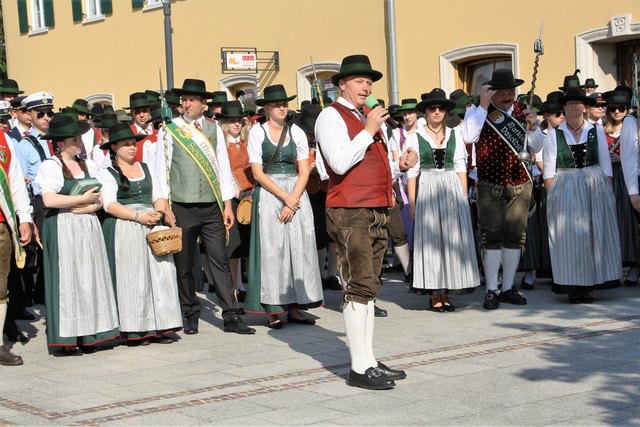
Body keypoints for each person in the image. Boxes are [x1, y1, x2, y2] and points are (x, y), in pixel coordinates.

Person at [315, 54, 416, 390]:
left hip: (376, 207)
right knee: (358, 285)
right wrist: (369, 129)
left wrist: (400, 164)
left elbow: (374, 162)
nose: (366, 86)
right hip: (349, 210)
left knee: (370, 285)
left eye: (369, 81)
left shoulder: (367, 117)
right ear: (341, 85)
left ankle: (368, 359)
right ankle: (358, 368)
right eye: (358, 80)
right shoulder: (331, 116)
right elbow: (340, 163)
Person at [154, 78, 254, 335]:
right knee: (185, 263)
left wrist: (228, 205)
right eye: (184, 100)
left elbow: (222, 169)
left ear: (203, 103)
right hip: (182, 207)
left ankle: (231, 315)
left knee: (219, 259)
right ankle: (190, 313)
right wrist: (164, 205)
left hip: (211, 207)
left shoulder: (214, 129)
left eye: (191, 100)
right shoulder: (169, 129)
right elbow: (161, 170)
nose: (186, 104)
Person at [35, 114, 120, 355]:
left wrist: (90, 206)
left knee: (90, 277)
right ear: (61, 143)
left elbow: (102, 196)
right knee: (69, 280)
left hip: (88, 226)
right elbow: (49, 199)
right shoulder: (50, 166)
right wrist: (81, 198)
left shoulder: (89, 164)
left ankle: (90, 334)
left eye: (79, 139)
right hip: (63, 226)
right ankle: (68, 338)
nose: (80, 143)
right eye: (74, 139)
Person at [243, 84, 323, 328]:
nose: (281, 108)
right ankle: (273, 308)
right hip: (270, 193)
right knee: (273, 248)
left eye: (284, 104)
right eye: (277, 104)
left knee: (299, 247)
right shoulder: (258, 132)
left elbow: (304, 170)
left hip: (295, 192)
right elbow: (257, 173)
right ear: (267, 108)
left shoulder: (296, 131)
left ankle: (297, 305)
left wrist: (294, 199)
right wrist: (285, 198)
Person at [98, 123, 182, 345]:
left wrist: (160, 210)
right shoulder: (107, 173)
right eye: (126, 145)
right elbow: (109, 204)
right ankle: (135, 330)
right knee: (133, 278)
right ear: (114, 147)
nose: (132, 148)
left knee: (159, 275)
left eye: (133, 144)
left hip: (151, 225)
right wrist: (137, 217)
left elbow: (159, 195)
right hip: (125, 227)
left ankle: (159, 327)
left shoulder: (145, 168)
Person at [462, 69, 538, 310]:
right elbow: (469, 136)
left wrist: (534, 127)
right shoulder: (478, 111)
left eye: (510, 92)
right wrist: (483, 106)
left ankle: (508, 287)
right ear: (491, 92)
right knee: (491, 236)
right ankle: (491, 289)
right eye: (502, 92)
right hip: (490, 183)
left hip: (519, 183)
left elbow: (536, 147)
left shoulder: (521, 112)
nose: (507, 96)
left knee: (516, 237)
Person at [542, 87, 622, 303]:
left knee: (591, 235)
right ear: (564, 109)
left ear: (585, 108)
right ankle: (572, 286)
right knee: (569, 237)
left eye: (578, 103)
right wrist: (553, 198)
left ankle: (588, 285)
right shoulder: (553, 134)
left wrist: (606, 194)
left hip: (593, 184)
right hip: (565, 184)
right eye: (569, 104)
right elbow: (549, 170)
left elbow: (606, 165)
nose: (574, 107)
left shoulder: (595, 130)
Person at [406, 88, 480, 311]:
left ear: (446, 111)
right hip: (427, 187)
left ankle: (446, 291)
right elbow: (411, 172)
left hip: (451, 188)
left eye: (441, 108)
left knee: (450, 240)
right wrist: (412, 203)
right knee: (431, 241)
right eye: (432, 108)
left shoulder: (455, 134)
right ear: (425, 113)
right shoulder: (414, 136)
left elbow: (460, 168)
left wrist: (463, 197)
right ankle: (434, 293)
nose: (437, 112)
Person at [0, 121, 32, 365]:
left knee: (1, 288)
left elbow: (15, 182)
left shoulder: (4, 139)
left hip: (2, 224)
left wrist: (24, 217)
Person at [216, 101, 253, 298]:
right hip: (233, 197)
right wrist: (235, 192)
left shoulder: (249, 142)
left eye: (239, 121)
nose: (236, 124)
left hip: (251, 195)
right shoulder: (221, 145)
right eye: (232, 121)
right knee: (234, 246)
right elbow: (224, 172)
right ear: (224, 124)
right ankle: (234, 287)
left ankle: (249, 284)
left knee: (249, 245)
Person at [603, 87, 638, 285]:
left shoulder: (633, 127)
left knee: (629, 221)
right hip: (609, 178)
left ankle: (634, 266)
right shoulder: (601, 128)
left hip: (627, 178)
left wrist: (620, 158)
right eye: (613, 108)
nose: (617, 111)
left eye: (622, 108)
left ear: (627, 110)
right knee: (612, 222)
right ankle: (614, 267)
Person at [125, 93, 157, 167]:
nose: (142, 115)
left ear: (149, 112)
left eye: (144, 111)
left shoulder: (158, 133)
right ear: (132, 114)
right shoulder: (127, 133)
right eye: (137, 112)